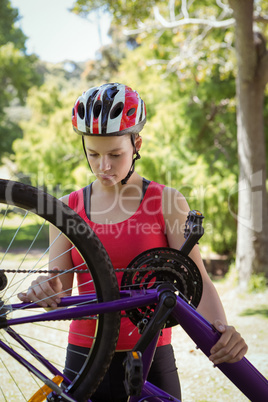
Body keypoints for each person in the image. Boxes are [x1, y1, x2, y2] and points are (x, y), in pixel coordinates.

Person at [18, 83, 248, 401]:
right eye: (93, 154)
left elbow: (198, 280)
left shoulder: (166, 201)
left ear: (136, 143)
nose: (104, 166)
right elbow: (60, 287)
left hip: (152, 358)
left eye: (115, 154)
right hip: (83, 360)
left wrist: (221, 331)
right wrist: (45, 288)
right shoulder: (67, 208)